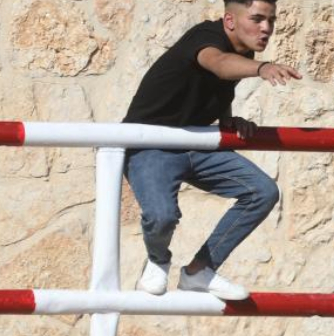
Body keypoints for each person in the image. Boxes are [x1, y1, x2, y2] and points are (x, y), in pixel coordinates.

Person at [122, 0, 300, 301]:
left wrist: (227, 117)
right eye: (257, 19)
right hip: (150, 144)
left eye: (271, 21)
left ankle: (199, 271)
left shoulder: (244, 48)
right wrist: (262, 68)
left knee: (263, 191)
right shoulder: (205, 38)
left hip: (197, 143)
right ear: (229, 21)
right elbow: (218, 64)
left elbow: (217, 82)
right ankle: (157, 260)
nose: (266, 28)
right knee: (162, 216)